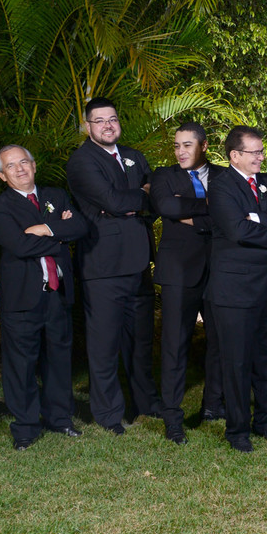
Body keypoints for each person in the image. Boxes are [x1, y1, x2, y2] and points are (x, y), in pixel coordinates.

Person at [66, 97, 159, 434]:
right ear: (87, 126)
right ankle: (108, 414)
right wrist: (138, 196)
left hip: (139, 262)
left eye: (113, 119)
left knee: (140, 341)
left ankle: (146, 403)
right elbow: (114, 201)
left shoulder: (134, 156)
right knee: (104, 345)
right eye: (100, 120)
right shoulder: (81, 162)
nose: (108, 125)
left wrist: (134, 202)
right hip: (103, 267)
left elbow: (156, 198)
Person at [0, 145, 87, 450]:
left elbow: (80, 226)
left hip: (58, 294)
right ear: (2, 176)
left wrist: (43, 228)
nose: (20, 169)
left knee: (58, 359)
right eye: (11, 166)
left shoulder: (56, 195)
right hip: (22, 297)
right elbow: (19, 246)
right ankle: (26, 428)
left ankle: (60, 419)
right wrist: (60, 235)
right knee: (21, 364)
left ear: (33, 165)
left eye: (24, 162)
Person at [206, 126, 267, 452]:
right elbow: (236, 230)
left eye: (261, 151)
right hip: (234, 291)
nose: (261, 157)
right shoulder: (221, 186)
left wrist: (257, 218)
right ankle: (237, 431)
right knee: (236, 364)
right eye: (254, 152)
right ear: (235, 155)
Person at [150, 122, 226, 444]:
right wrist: (210, 206)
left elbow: (235, 213)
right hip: (179, 272)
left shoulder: (225, 176)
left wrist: (189, 213)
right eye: (176, 145)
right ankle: (172, 417)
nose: (180, 151)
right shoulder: (164, 176)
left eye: (187, 145)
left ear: (204, 146)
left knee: (220, 341)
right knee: (175, 344)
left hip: (220, 269)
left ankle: (213, 405)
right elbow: (166, 207)